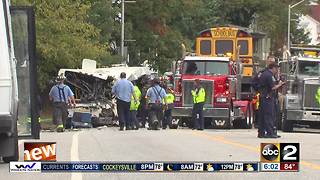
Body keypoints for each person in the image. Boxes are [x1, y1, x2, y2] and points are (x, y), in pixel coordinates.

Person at [258, 63, 285, 138]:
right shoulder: (269, 75)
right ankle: (270, 133)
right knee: (269, 116)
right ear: (273, 68)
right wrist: (280, 84)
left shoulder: (264, 74)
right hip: (267, 98)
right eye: (276, 68)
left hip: (264, 97)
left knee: (263, 116)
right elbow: (272, 87)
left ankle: (261, 133)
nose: (277, 70)